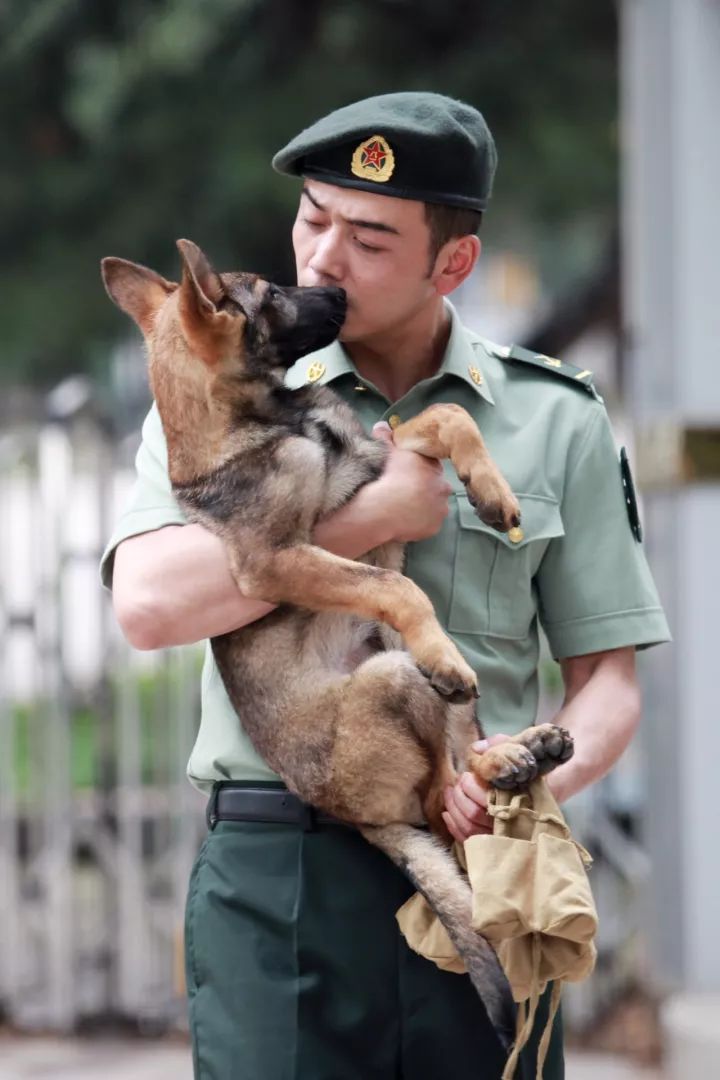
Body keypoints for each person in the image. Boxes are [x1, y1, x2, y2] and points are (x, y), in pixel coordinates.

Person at [101, 92, 670, 1079]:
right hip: (280, 883)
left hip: (477, 863)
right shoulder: (216, 389)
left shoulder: (556, 418)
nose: (322, 258)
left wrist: (531, 789)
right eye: (313, 218)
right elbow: (150, 606)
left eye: (368, 236)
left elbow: (610, 680)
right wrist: (371, 515)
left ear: (453, 263)